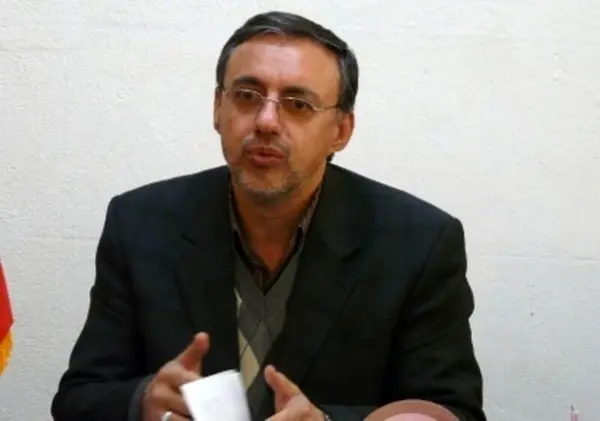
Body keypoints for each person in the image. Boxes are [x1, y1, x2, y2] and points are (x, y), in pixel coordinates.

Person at [51, 10, 486, 421]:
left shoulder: (418, 243)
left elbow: (452, 411)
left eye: (298, 104)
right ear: (218, 108)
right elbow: (78, 399)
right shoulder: (140, 224)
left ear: (341, 131)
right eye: (246, 96)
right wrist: (142, 401)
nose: (266, 121)